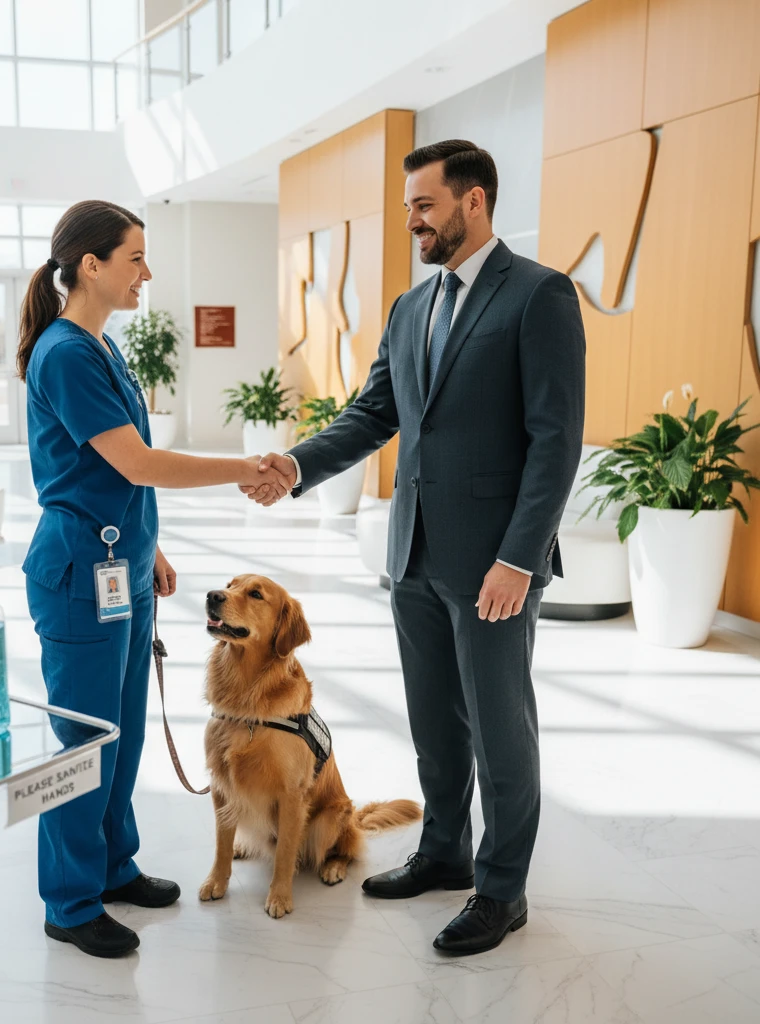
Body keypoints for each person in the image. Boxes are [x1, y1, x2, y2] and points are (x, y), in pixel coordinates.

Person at [246, 141, 585, 956]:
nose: (412, 223)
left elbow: (555, 440)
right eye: (407, 209)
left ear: (474, 203)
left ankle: (503, 892)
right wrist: (295, 465)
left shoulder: (539, 296)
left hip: (494, 565)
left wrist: (518, 556)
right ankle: (443, 853)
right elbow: (374, 415)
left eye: (424, 206)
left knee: (503, 732)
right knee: (436, 723)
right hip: (414, 556)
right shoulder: (408, 307)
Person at [18, 200, 294, 959]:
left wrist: (151, 550)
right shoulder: (67, 353)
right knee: (85, 740)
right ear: (91, 266)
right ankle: (70, 902)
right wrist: (246, 467)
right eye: (135, 257)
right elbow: (139, 462)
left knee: (125, 731)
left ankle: (112, 866)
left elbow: (118, 473)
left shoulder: (101, 347)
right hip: (80, 573)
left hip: (122, 565)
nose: (147, 272)